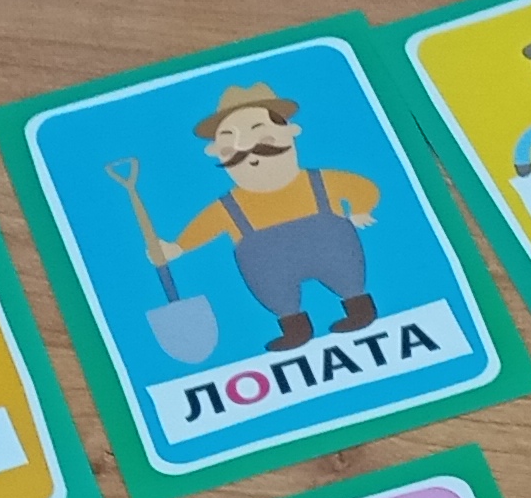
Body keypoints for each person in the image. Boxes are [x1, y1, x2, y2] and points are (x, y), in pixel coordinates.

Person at [147, 82, 383, 349]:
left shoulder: (319, 181)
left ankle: (359, 309)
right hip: (270, 263)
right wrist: (177, 247)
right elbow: (206, 225)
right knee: (277, 293)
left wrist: (361, 209)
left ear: (290, 132)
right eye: (233, 148)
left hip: (330, 248)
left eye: (263, 141)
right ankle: (294, 329)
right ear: (217, 151)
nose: (251, 155)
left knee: (346, 276)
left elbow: (362, 187)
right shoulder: (231, 205)